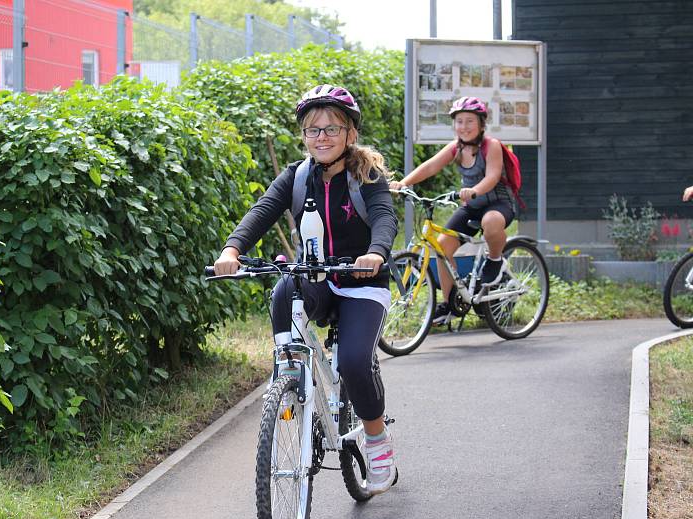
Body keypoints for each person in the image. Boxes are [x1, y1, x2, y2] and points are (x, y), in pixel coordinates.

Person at [213, 84, 398, 495]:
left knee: (352, 361)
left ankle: (376, 439)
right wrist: (232, 248)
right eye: (313, 130)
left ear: (350, 133)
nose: (322, 137)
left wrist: (375, 252)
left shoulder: (366, 175)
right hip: (316, 278)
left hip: (361, 282)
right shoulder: (297, 177)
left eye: (332, 128)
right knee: (283, 290)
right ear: (303, 136)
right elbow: (262, 211)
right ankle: (291, 375)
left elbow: (384, 216)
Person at [389, 96, 516, 325]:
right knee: (442, 246)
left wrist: (474, 190)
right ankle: (449, 304)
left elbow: (493, 176)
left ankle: (495, 261)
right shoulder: (456, 148)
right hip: (472, 206)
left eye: (469, 121)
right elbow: (430, 166)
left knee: (491, 222)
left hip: (498, 203)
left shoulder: (492, 146)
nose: (464, 126)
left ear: (481, 124)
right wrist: (403, 183)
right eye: (459, 121)